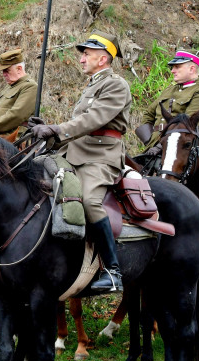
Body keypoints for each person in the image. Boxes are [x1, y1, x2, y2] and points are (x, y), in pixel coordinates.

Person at [28, 31, 132, 293]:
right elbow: (79, 128)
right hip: (75, 153)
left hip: (102, 157)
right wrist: (50, 135)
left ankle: (113, 270)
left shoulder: (116, 84)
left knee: (87, 199)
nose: (82, 58)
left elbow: (94, 120)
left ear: (104, 57)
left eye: (87, 53)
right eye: (83, 54)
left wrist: (57, 128)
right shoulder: (92, 84)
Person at [136, 49, 199, 161]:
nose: (172, 71)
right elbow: (148, 115)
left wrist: (161, 146)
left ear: (192, 69)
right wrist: (150, 141)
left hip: (183, 154)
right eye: (172, 67)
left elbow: (189, 126)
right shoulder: (169, 90)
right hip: (153, 149)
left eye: (177, 67)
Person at [0, 48, 37, 139]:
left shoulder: (30, 86)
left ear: (19, 69)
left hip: (15, 139)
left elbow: (16, 116)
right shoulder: (11, 86)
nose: (4, 74)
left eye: (6, 70)